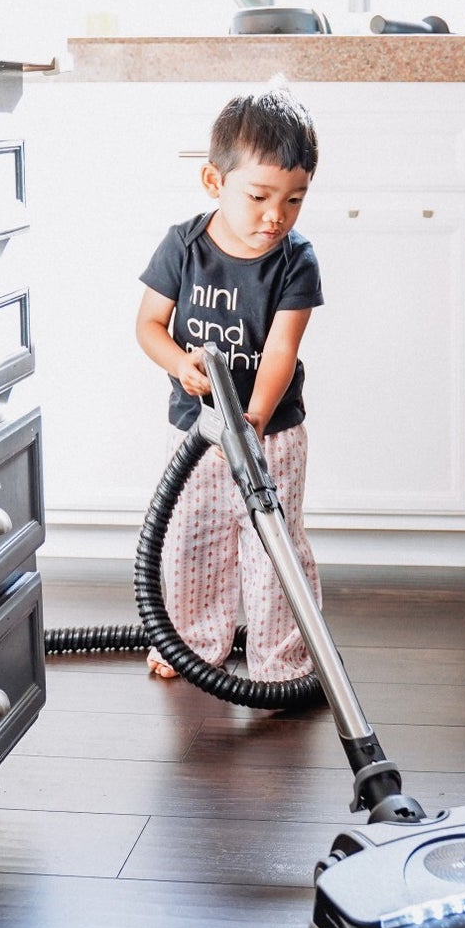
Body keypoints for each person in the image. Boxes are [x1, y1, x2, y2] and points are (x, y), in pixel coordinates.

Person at [135, 84, 325, 682]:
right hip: (195, 434)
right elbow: (148, 326)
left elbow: (280, 351)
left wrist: (256, 418)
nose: (277, 216)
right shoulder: (184, 246)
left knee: (273, 544)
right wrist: (177, 363)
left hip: (270, 433)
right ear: (214, 183)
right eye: (261, 195)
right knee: (192, 538)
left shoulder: (296, 259)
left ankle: (283, 660)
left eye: (294, 200)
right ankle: (192, 643)